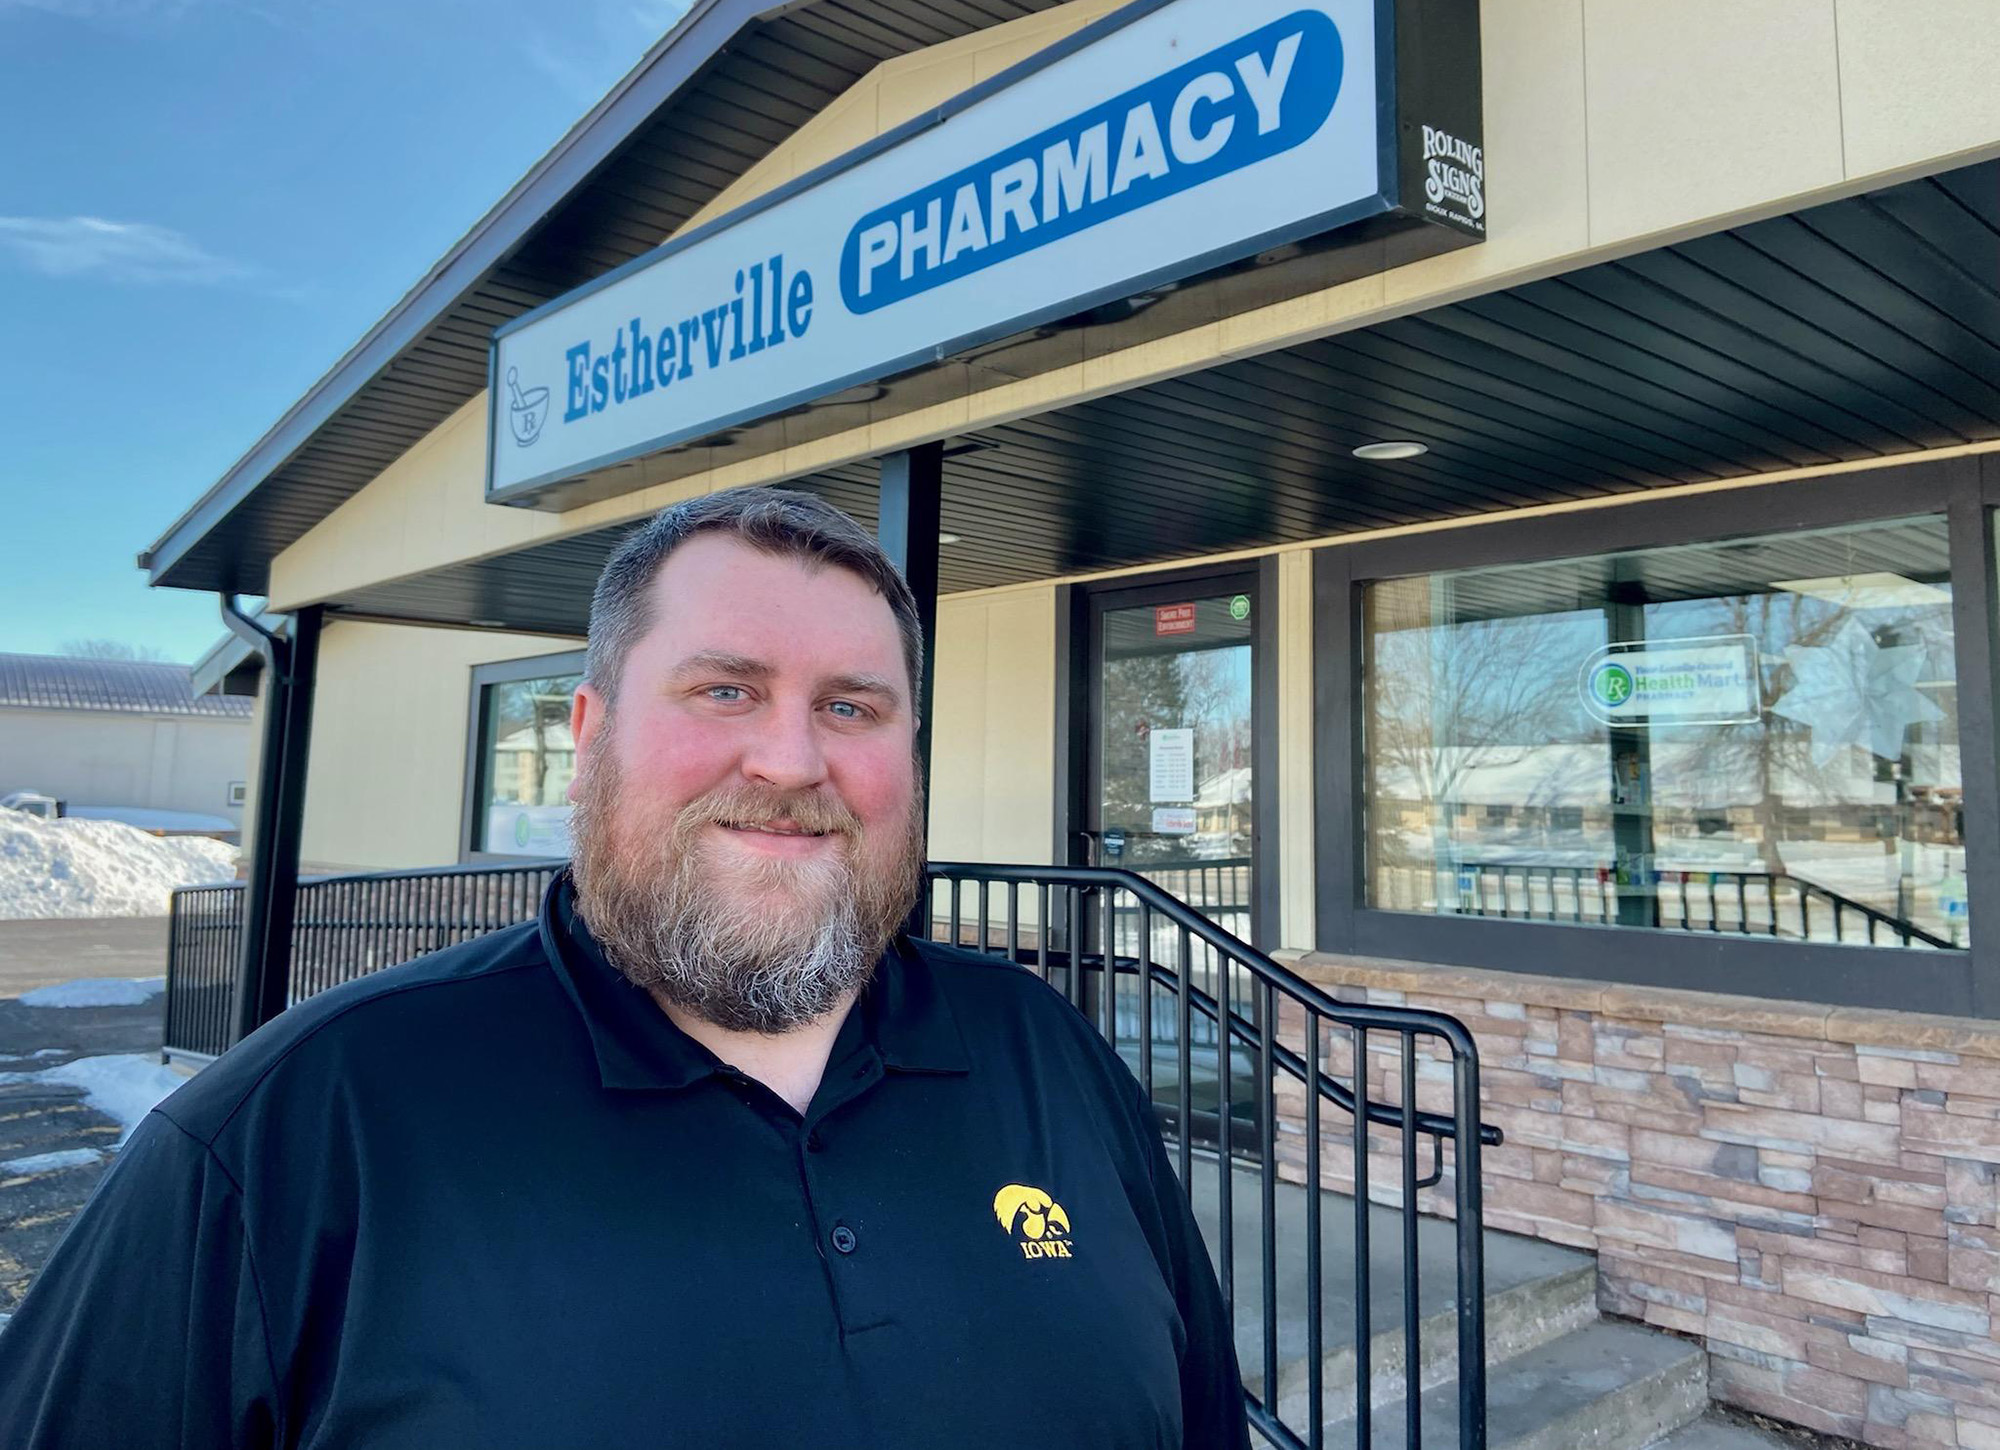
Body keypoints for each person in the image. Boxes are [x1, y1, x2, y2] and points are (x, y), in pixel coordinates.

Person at [0, 486, 1250, 1448]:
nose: (788, 758)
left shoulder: (1048, 1054)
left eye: (852, 707)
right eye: (723, 689)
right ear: (589, 736)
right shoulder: (298, 1130)